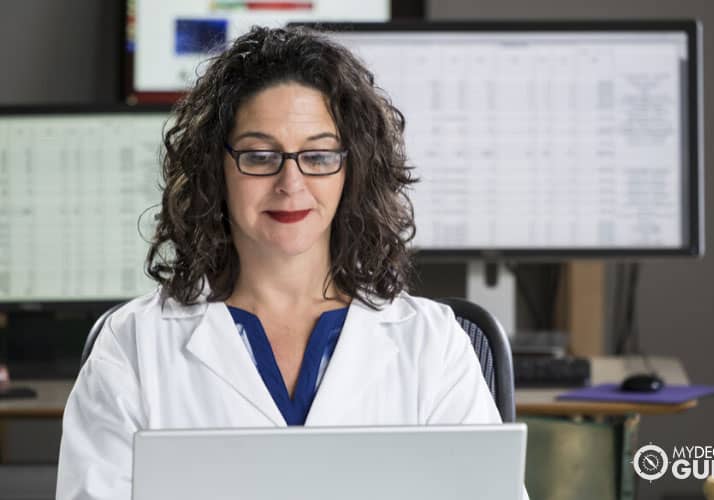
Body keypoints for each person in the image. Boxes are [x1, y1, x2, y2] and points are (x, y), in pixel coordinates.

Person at [56, 26, 522, 500]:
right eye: (260, 156)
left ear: (352, 168)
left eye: (318, 156)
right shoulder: (135, 345)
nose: (290, 182)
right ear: (214, 167)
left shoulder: (433, 345)